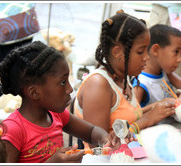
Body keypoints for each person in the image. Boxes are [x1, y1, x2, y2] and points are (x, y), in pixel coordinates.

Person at [0, 41, 135, 163]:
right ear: (34, 92)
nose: (70, 89)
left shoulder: (56, 115)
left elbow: (92, 131)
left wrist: (105, 139)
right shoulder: (13, 130)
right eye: (63, 82)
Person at [74, 10, 175, 149]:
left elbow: (128, 116)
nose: (147, 57)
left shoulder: (123, 78)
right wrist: (146, 121)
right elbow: (100, 148)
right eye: (140, 51)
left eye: (147, 50)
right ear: (117, 52)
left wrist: (158, 107)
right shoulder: (98, 85)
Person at [133, 24, 181, 107]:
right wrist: (158, 106)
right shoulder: (141, 84)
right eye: (176, 52)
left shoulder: (164, 72)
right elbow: (132, 115)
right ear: (155, 50)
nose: (180, 59)